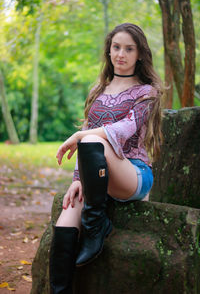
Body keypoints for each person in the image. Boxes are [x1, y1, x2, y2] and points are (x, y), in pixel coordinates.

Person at [49, 22, 163, 294]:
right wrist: (78, 179)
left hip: (132, 175)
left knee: (90, 138)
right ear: (108, 51)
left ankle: (96, 226)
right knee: (64, 224)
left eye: (129, 48)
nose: (121, 54)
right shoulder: (97, 91)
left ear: (139, 55)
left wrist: (80, 136)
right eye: (116, 47)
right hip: (97, 177)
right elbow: (89, 136)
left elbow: (122, 130)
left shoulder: (146, 92)